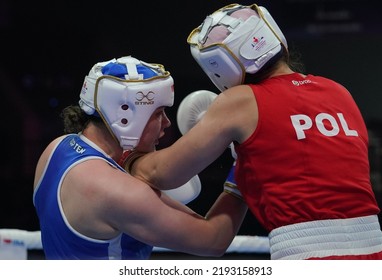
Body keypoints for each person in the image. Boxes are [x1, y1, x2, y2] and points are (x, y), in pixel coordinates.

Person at [125, 3, 382, 259]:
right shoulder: (338, 91)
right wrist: (246, 161)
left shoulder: (240, 101)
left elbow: (162, 174)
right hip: (377, 254)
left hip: (309, 258)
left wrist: (123, 157)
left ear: (220, 64)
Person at [32, 55, 248, 260]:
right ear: (125, 116)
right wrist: (245, 165)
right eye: (158, 113)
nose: (167, 123)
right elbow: (214, 239)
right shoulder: (114, 191)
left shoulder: (56, 149)